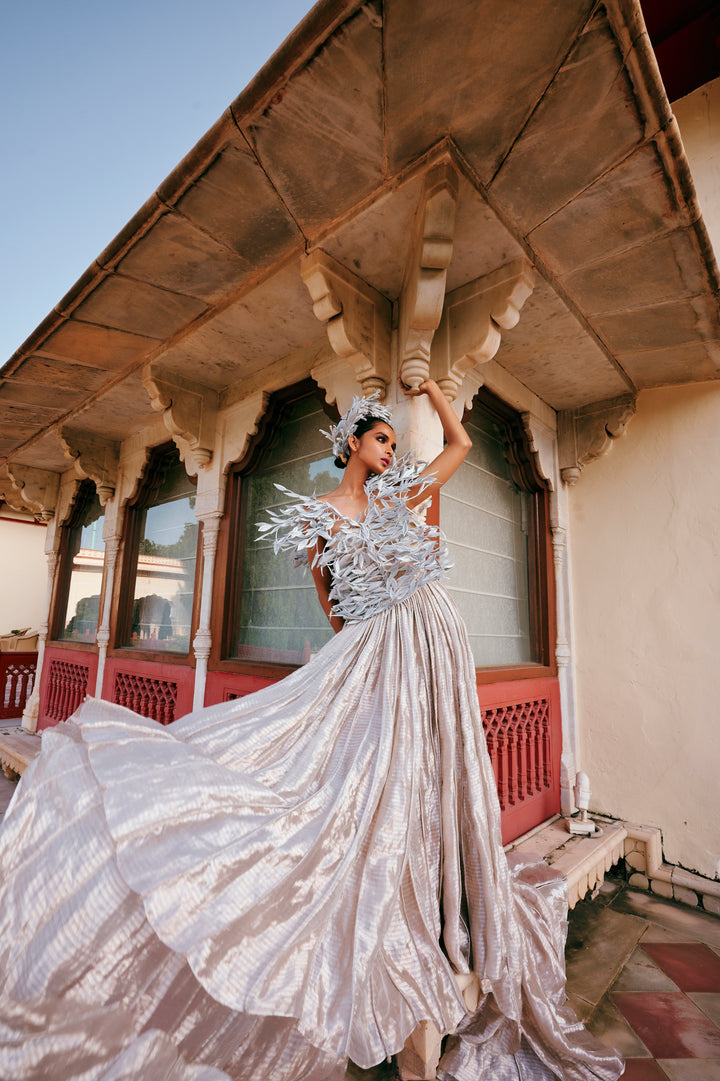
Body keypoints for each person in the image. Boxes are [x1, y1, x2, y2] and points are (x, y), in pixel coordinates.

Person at [0, 382, 623, 1081]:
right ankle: (389, 895)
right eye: (382, 439)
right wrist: (367, 640)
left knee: (431, 764)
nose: (391, 451)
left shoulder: (398, 495)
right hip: (379, 644)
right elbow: (329, 599)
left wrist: (434, 396)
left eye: (392, 440)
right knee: (367, 771)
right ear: (353, 443)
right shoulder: (322, 514)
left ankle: (446, 891)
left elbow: (463, 445)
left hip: (437, 637)